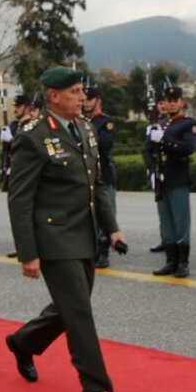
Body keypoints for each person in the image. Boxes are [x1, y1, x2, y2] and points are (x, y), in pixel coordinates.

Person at [4, 66, 128, 392]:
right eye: (74, 91)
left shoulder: (85, 128)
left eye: (82, 91)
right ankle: (94, 389)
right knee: (79, 312)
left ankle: (22, 342)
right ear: (54, 96)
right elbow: (20, 199)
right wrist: (28, 253)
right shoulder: (33, 135)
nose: (82, 97)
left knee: (69, 308)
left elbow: (96, 185)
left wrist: (112, 228)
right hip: (54, 237)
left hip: (84, 234)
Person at [148, 83, 196, 278]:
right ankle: (170, 261)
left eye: (174, 101)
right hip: (162, 178)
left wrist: (165, 140)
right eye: (168, 101)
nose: (170, 104)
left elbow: (189, 147)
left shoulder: (187, 123)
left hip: (178, 177)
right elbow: (150, 150)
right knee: (167, 222)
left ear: (181, 102)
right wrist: (151, 170)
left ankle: (183, 263)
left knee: (180, 221)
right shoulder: (159, 123)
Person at [84, 85, 118, 268]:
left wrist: (87, 135)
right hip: (87, 176)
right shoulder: (80, 121)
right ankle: (93, 249)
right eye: (85, 99)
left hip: (103, 174)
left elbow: (105, 144)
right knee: (91, 215)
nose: (86, 102)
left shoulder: (106, 122)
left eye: (90, 99)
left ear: (98, 101)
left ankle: (104, 250)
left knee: (106, 213)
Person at [1, 93, 34, 259]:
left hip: (26, 176)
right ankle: (20, 245)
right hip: (14, 173)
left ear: (27, 108)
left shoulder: (31, 125)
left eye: (19, 106)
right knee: (16, 212)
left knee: (25, 212)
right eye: (15, 106)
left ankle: (29, 247)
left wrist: (12, 140)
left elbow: (27, 147)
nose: (15, 109)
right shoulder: (17, 125)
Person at [143, 91, 170, 254]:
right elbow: (146, 149)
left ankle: (173, 241)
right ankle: (165, 238)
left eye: (165, 102)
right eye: (160, 104)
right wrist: (151, 169)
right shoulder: (154, 123)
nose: (163, 106)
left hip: (171, 170)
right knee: (162, 207)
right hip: (157, 169)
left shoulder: (175, 122)